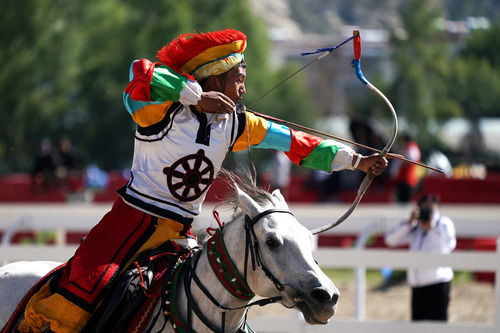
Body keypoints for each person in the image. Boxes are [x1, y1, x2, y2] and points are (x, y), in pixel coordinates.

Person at [18, 28, 388, 333]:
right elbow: (139, 72)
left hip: (181, 233)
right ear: (215, 79)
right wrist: (194, 96)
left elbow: (297, 143)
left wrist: (356, 160)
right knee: (80, 292)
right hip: (130, 223)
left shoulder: (237, 124)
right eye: (238, 80)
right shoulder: (157, 113)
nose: (243, 88)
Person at [385, 194, 456, 321]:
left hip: (438, 284)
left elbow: (449, 244)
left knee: (438, 327)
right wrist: (408, 223)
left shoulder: (443, 223)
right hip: (417, 286)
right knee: (417, 327)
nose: (426, 212)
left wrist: (431, 227)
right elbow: (390, 240)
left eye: (429, 209)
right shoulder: (415, 227)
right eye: (423, 208)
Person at [393, 133, 421, 203]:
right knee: (401, 200)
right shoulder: (407, 147)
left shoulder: (412, 148)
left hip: (408, 178)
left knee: (405, 201)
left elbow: (410, 161)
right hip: (403, 179)